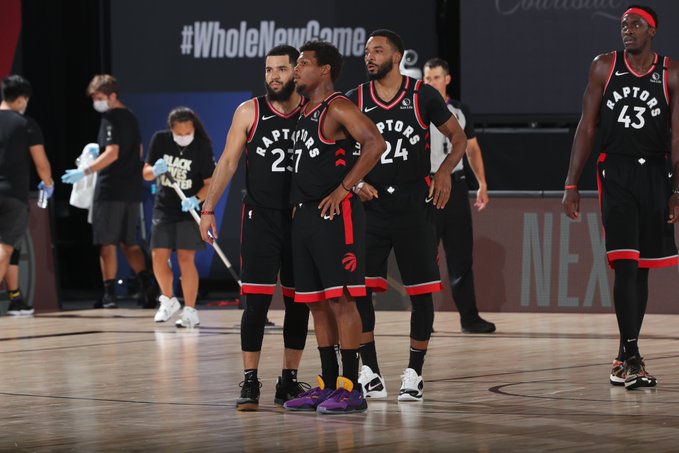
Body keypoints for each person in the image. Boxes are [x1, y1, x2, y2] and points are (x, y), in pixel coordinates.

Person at [563, 5, 678, 390]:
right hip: (616, 170)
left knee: (641, 268)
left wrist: (677, 190)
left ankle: (623, 354)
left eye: (636, 25)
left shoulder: (671, 73)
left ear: (652, 31)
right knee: (625, 263)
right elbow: (587, 125)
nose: (627, 30)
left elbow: (678, 136)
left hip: (656, 172)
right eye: (624, 25)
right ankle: (632, 358)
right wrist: (571, 182)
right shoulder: (604, 66)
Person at [347, 30, 467, 401]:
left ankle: (414, 372)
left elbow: (459, 138)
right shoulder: (355, 99)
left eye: (377, 50)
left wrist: (444, 171)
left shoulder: (422, 95)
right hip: (370, 207)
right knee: (360, 290)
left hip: (414, 204)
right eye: (367, 51)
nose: (369, 57)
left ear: (397, 57)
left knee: (421, 292)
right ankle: (370, 370)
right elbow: (336, 149)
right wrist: (353, 182)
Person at [199, 45, 312, 411]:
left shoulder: (313, 110)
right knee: (256, 303)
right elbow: (228, 162)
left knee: (298, 303)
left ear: (296, 72)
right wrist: (208, 208)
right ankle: (250, 381)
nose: (273, 76)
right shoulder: (249, 111)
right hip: (261, 218)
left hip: (301, 218)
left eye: (281, 69)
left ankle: (289, 379)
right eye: (268, 70)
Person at [281, 40, 386, 414]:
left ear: (324, 69)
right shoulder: (305, 110)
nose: (296, 69)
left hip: (336, 215)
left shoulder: (337, 106)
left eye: (303, 63)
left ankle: (351, 387)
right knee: (317, 303)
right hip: (307, 215)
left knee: (342, 299)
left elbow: (375, 143)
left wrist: (345, 188)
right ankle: (326, 384)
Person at [61, 74, 155, 309]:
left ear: (112, 96)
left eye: (100, 97)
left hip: (110, 188)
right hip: (131, 189)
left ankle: (109, 295)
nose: (97, 102)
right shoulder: (131, 116)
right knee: (129, 241)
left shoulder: (110, 118)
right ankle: (147, 287)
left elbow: (112, 153)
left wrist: (84, 171)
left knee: (107, 243)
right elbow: (139, 150)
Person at [422, 58, 495, 334]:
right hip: (427, 186)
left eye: (436, 78)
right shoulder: (418, 108)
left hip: (456, 185)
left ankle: (470, 317)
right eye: (427, 78)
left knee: (461, 255)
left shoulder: (460, 110)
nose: (431, 83)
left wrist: (482, 183)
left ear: (447, 79)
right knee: (425, 256)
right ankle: (424, 319)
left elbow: (472, 149)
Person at [144, 107, 215, 328]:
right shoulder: (160, 140)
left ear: (194, 129)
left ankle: (190, 311)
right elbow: (146, 173)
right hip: (164, 208)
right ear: (171, 130)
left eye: (188, 133)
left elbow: (209, 183)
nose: (183, 137)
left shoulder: (202, 147)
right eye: (179, 133)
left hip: (188, 209)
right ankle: (168, 299)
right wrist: (155, 170)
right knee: (158, 256)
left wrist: (195, 199)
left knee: (186, 258)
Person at [0, 75, 53, 315]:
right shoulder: (26, 124)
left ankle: (16, 299)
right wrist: (48, 183)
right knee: (5, 248)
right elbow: (41, 162)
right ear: (22, 99)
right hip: (13, 195)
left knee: (10, 248)